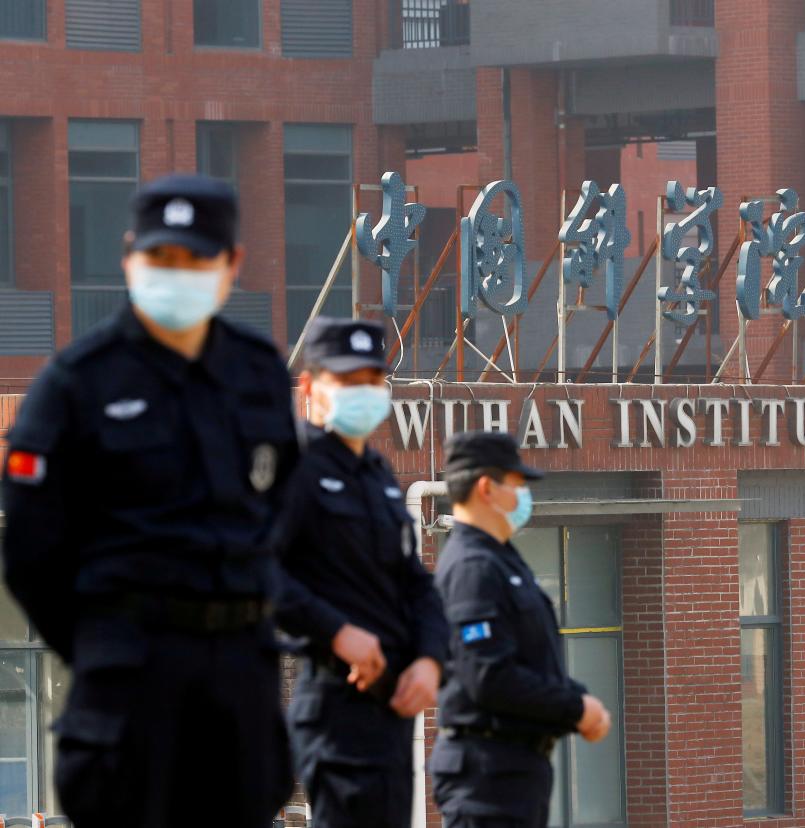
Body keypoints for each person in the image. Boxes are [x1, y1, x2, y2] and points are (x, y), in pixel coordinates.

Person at [0, 173, 297, 828]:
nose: (176, 274)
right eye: (161, 258)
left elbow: (280, 508)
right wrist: (104, 640)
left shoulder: (259, 372)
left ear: (232, 266)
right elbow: (30, 549)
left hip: (239, 679)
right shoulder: (78, 383)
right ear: (129, 255)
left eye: (196, 259)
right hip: (131, 677)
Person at [271, 316, 449, 828]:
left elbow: (416, 584)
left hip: (391, 708)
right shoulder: (292, 467)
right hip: (336, 706)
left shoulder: (379, 476)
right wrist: (338, 633)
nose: (364, 392)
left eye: (373, 380)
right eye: (347, 381)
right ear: (309, 386)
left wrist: (430, 660)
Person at [429, 431, 612, 828]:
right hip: (488, 773)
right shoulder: (472, 568)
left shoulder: (501, 561)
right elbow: (488, 676)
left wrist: (576, 701)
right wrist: (575, 708)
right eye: (517, 485)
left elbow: (531, 658)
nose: (524, 496)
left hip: (512, 771)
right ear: (486, 488)